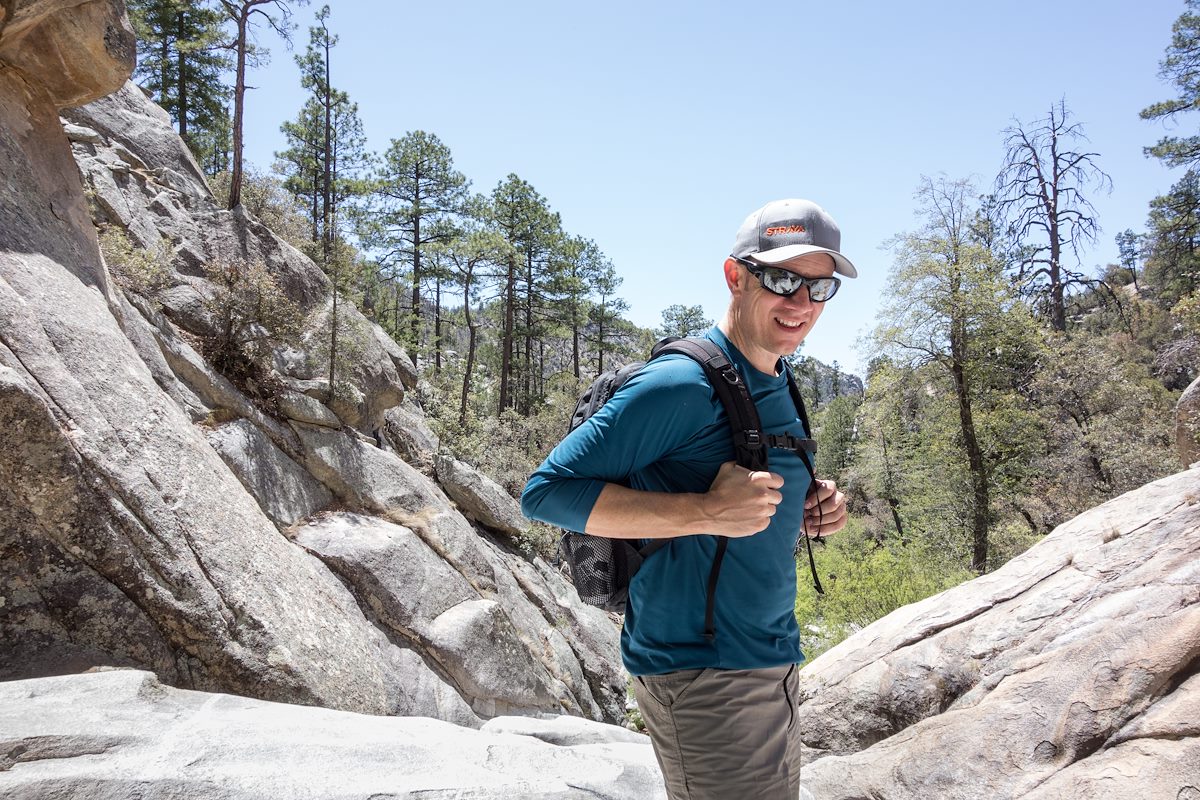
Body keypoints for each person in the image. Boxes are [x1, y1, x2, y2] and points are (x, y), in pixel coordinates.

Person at [521, 198, 854, 799]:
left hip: (768, 658)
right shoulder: (680, 385)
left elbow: (742, 489)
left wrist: (810, 504)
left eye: (819, 287)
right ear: (735, 277)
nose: (801, 304)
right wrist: (705, 512)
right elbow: (545, 493)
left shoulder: (778, 376)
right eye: (782, 280)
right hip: (704, 675)